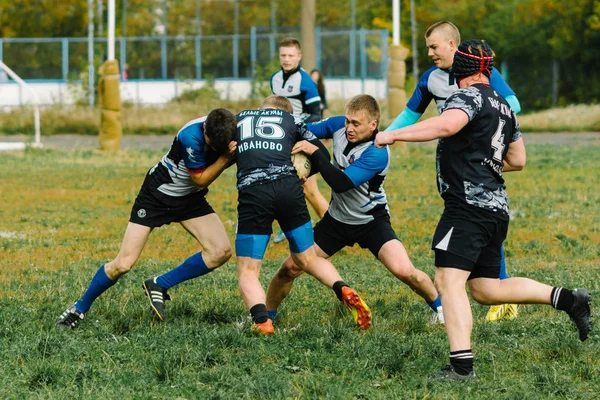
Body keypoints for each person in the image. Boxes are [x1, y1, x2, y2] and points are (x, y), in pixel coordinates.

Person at [376, 40, 591, 381]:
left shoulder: (466, 96)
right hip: (495, 208)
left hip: (467, 207)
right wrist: (484, 164)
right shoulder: (504, 105)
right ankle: (568, 298)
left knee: (448, 280)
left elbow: (446, 126)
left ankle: (462, 367)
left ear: (464, 68)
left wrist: (394, 135)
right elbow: (518, 160)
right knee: (486, 289)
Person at [265, 94, 444, 325]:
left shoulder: (377, 152)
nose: (349, 127)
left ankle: (440, 308)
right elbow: (302, 129)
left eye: (356, 124)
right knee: (289, 267)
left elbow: (340, 183)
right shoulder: (339, 124)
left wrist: (316, 153)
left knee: (405, 271)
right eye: (348, 121)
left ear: (373, 125)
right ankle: (264, 318)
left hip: (371, 221)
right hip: (337, 221)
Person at [386, 20, 521, 322]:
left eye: (434, 46)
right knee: (478, 217)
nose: (430, 53)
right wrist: (384, 136)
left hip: (479, 159)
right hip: (455, 163)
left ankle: (500, 292)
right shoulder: (430, 78)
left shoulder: (482, 71)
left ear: (452, 45)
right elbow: (411, 114)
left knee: (479, 214)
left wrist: (494, 130)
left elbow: (511, 103)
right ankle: (492, 289)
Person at [56, 109, 238, 328]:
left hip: (189, 199)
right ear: (205, 128)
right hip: (157, 195)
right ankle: (79, 309)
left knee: (221, 252)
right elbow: (200, 180)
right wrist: (227, 156)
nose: (214, 148)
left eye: (220, 145)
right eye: (211, 143)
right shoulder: (191, 136)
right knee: (123, 264)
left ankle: (160, 284)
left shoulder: (235, 128)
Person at [234, 95, 371, 335]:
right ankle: (343, 289)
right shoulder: (293, 121)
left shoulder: (242, 118)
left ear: (261, 109)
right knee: (307, 259)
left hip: (255, 192)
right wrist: (305, 168)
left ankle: (262, 322)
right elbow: (321, 156)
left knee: (248, 269)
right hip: (290, 189)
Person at [271, 38, 329, 243]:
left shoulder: (306, 83)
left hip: (300, 141)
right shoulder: (275, 78)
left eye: (290, 55)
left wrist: (293, 126)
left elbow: (316, 115)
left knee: (310, 191)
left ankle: (336, 228)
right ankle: (287, 224)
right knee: (281, 184)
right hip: (281, 141)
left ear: (299, 56)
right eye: (283, 55)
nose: (286, 59)